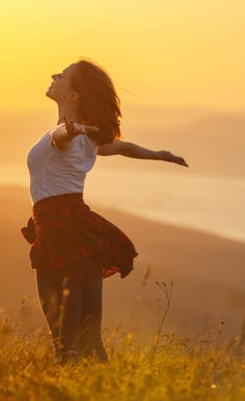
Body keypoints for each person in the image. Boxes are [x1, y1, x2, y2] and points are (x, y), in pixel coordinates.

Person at [21, 59, 187, 364]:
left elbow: (62, 139)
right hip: (80, 230)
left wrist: (69, 131)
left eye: (64, 75)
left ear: (73, 96)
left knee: (65, 345)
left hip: (59, 231)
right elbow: (122, 147)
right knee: (90, 339)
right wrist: (159, 155)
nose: (55, 75)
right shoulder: (87, 138)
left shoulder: (67, 135)